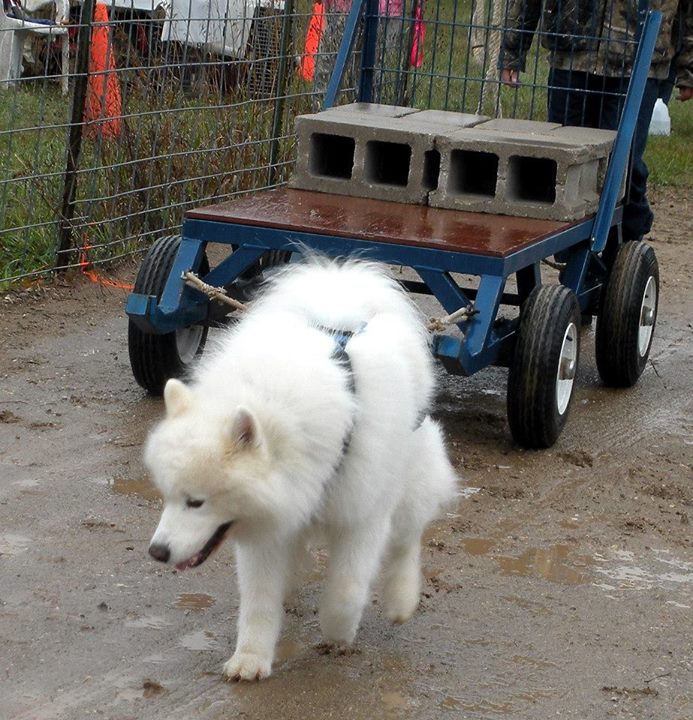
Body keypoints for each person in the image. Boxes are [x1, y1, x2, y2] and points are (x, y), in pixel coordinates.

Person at [499, 0, 692, 243]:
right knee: (566, 162)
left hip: (639, 60)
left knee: (622, 165)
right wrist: (512, 51)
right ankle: (572, 252)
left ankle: (624, 248)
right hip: (572, 54)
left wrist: (689, 68)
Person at [312, 0, 406, 107]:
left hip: (386, 9)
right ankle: (321, 115)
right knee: (330, 70)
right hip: (342, 7)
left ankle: (369, 117)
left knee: (376, 75)